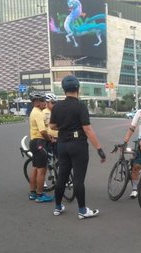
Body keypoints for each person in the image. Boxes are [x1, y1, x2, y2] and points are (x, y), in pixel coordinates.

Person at [49, 75, 106, 219]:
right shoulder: (80, 106)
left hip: (62, 144)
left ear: (64, 89)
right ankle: (82, 210)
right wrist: (99, 149)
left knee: (62, 176)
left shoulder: (57, 106)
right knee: (78, 179)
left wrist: (64, 126)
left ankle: (57, 207)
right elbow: (87, 129)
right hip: (78, 145)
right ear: (77, 89)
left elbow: (52, 125)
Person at [28, 92, 53, 203]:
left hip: (34, 141)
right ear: (36, 102)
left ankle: (33, 193)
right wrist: (49, 139)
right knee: (42, 170)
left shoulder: (34, 112)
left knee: (35, 168)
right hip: (39, 143)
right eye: (43, 101)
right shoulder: (38, 113)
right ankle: (40, 194)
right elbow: (42, 131)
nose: (45, 103)